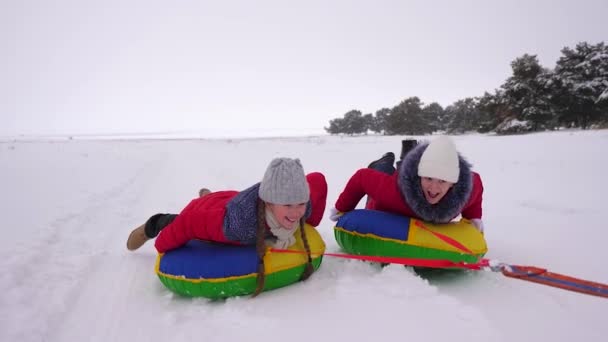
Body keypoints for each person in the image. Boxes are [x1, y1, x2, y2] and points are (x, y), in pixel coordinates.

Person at [126, 157, 328, 296]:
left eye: (300, 204)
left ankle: (207, 193)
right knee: (194, 216)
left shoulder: (304, 203)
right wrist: (162, 249)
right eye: (288, 206)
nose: (296, 212)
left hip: (233, 198)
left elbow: (318, 179)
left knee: (219, 201)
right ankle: (152, 224)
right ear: (269, 202)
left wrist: (312, 220)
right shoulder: (239, 225)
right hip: (212, 210)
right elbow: (188, 223)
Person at [330, 136, 484, 232]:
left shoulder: (465, 191)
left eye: (442, 181)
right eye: (428, 179)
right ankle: (384, 161)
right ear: (419, 176)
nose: (434, 188)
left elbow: (476, 187)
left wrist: (473, 217)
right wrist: (342, 208)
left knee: (409, 165)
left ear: (453, 183)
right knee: (383, 172)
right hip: (384, 207)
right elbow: (361, 178)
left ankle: (408, 153)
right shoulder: (394, 191)